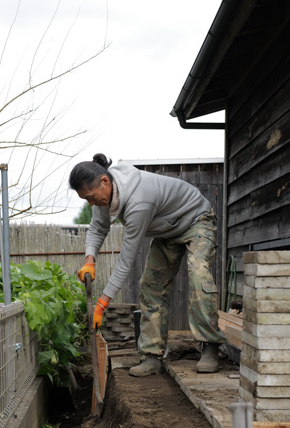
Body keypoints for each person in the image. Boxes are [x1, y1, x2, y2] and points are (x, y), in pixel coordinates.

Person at [70, 153, 226, 376]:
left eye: (91, 197)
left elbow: (126, 261)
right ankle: (152, 356)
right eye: (86, 200)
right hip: (167, 229)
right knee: (151, 284)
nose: (91, 203)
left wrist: (102, 304)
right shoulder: (102, 196)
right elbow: (97, 228)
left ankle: (210, 347)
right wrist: (89, 260)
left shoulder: (139, 201)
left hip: (195, 219)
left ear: (105, 181)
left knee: (198, 274)